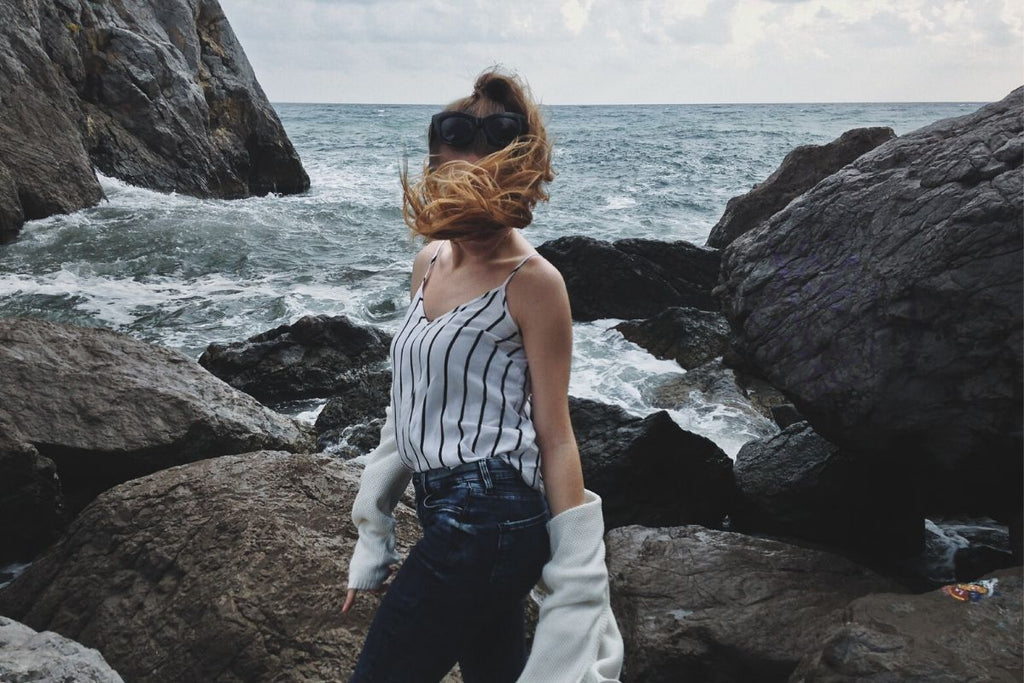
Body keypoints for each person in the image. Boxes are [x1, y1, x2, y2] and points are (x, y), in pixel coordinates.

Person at [343, 68, 622, 683]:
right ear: (437, 148)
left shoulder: (535, 283)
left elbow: (556, 435)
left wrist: (577, 577)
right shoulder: (428, 262)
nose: (472, 150)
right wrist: (374, 526)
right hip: (443, 505)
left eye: (496, 136)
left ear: (521, 157)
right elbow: (407, 405)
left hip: (492, 512)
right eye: (458, 132)